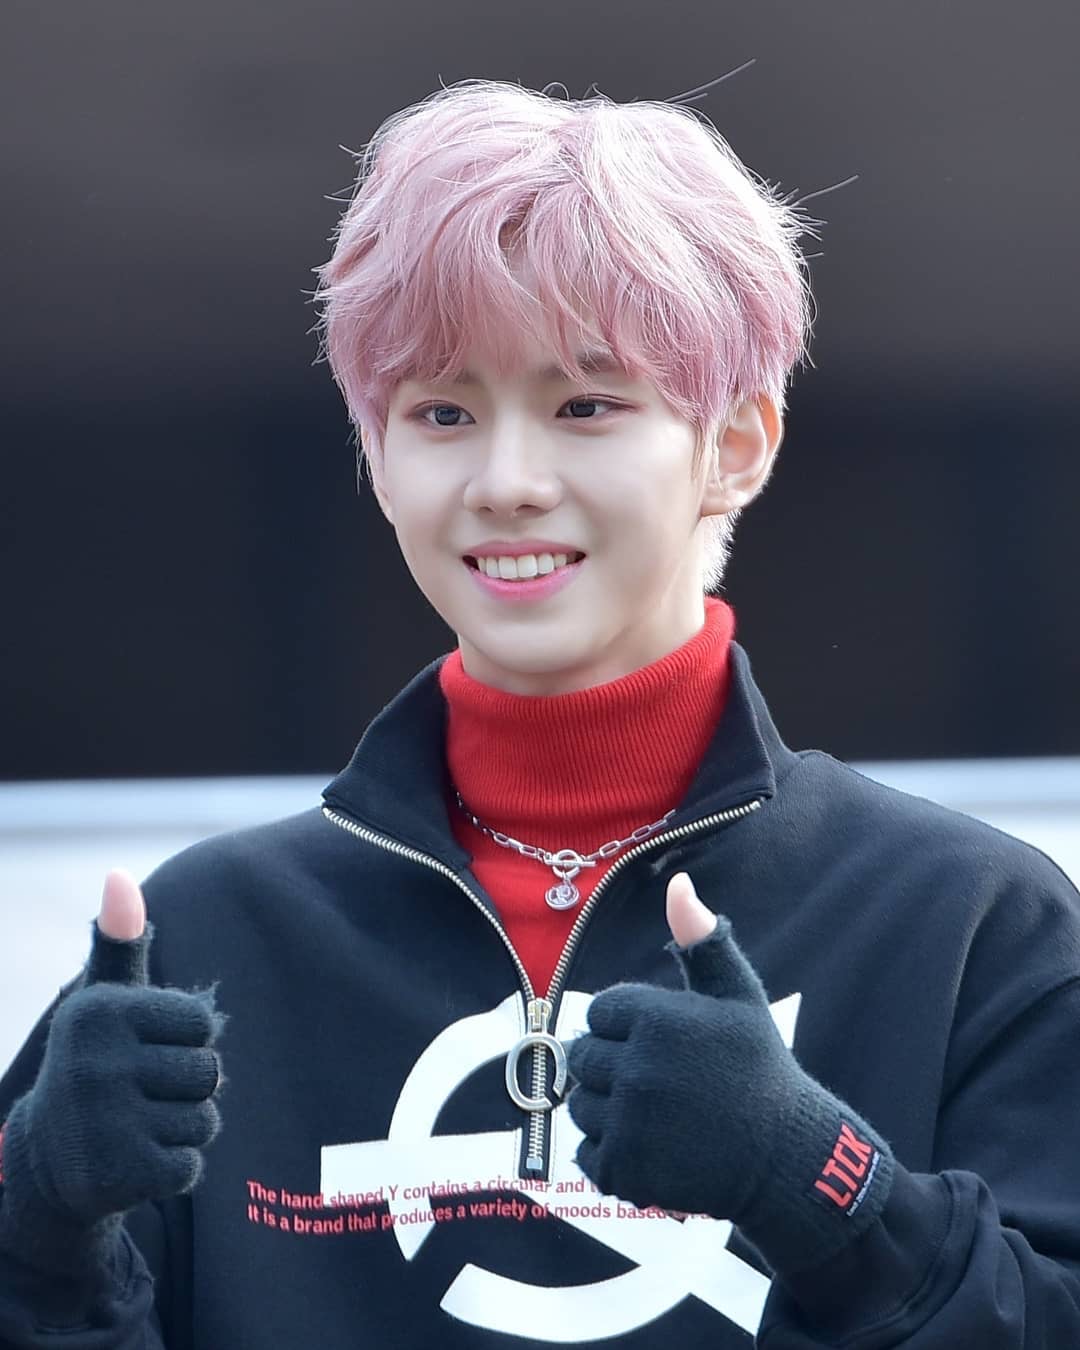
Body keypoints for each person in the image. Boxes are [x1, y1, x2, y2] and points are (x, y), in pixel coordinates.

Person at [1, 77, 1079, 1350]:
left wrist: (824, 1187)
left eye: (586, 406)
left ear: (736, 445)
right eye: (442, 413)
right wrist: (34, 1227)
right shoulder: (208, 939)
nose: (507, 482)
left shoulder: (966, 923)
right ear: (378, 460)